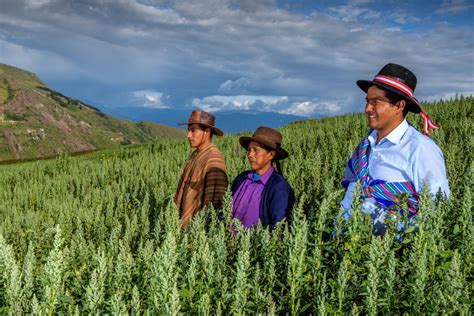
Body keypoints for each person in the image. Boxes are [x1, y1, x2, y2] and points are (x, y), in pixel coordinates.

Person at [340, 63, 450, 235]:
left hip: (391, 254)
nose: (368, 109)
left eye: (375, 102)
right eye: (367, 101)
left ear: (399, 105)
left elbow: (438, 207)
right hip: (347, 247)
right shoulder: (365, 145)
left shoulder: (420, 149)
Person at [231, 126, 295, 230]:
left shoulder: (278, 187)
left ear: (271, 154)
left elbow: (278, 228)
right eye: (249, 150)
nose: (250, 155)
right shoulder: (241, 178)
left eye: (256, 150)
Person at [175, 110, 228, 228]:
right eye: (188, 130)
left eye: (193, 130)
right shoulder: (195, 155)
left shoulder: (213, 159)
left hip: (197, 229)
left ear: (207, 132)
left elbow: (217, 200)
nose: (188, 135)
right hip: (186, 227)